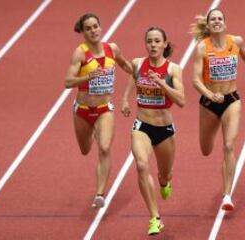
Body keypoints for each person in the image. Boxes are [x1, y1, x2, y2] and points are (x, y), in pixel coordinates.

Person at [191, 9, 245, 211]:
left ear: (225, 23)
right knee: (206, 150)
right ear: (208, 26)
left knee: (228, 146)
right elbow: (195, 80)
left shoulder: (236, 41)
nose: (217, 22)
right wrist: (210, 95)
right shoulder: (202, 48)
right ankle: (225, 188)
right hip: (209, 103)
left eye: (220, 19)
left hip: (231, 100)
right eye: (213, 19)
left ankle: (227, 195)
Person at [121, 27, 185, 235]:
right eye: (149, 41)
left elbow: (181, 101)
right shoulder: (138, 63)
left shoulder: (173, 69)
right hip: (142, 126)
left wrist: (161, 83)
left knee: (164, 175)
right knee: (141, 165)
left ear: (165, 44)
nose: (153, 45)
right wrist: (124, 99)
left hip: (165, 129)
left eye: (157, 41)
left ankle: (165, 182)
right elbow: (133, 77)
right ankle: (154, 217)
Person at [65, 13, 132, 208]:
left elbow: (126, 66)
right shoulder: (80, 53)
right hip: (83, 110)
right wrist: (87, 77)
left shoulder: (112, 49)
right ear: (83, 33)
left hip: (105, 109)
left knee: (104, 148)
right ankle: (93, 131)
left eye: (96, 26)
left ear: (101, 27)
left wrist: (142, 72)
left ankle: (99, 193)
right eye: (89, 28)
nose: (93, 30)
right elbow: (68, 82)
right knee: (85, 150)